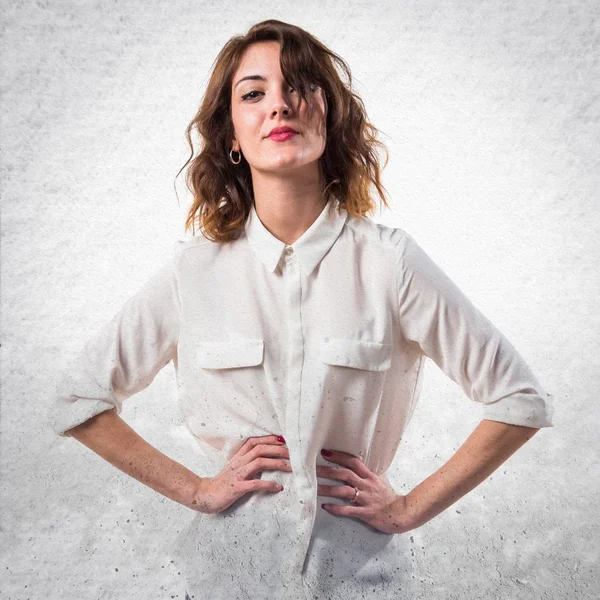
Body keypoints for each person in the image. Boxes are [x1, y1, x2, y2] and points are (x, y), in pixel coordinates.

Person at [48, 19, 554, 600]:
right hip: (226, 578)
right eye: (254, 93)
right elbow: (78, 399)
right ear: (232, 135)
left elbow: (518, 400)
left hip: (365, 579)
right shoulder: (193, 273)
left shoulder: (391, 263)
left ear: (329, 114)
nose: (279, 106)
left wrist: (408, 509)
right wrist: (198, 490)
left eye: (300, 87)